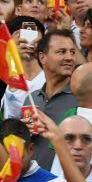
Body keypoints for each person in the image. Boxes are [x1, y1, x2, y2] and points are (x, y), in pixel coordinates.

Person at [25, 29, 79, 169]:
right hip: (31, 178)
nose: (69, 57)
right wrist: (23, 131)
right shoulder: (32, 98)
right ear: (42, 57)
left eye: (72, 52)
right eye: (61, 52)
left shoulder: (81, 98)